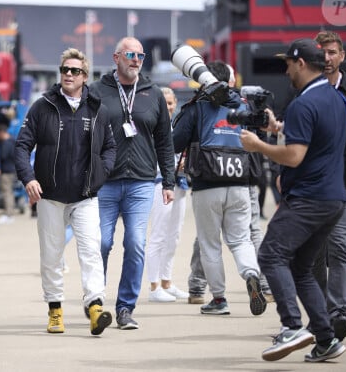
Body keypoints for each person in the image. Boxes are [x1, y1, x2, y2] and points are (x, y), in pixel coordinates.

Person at [240, 38, 346, 362]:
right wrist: (281, 128)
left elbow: (295, 156)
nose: (285, 69)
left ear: (301, 63)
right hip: (332, 198)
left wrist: (258, 145)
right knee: (301, 268)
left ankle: (292, 327)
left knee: (271, 255)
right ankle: (326, 339)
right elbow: (317, 137)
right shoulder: (332, 96)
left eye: (288, 63)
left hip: (308, 198)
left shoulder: (304, 103)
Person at [14, 47, 117, 335]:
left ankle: (95, 307)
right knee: (51, 255)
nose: (68, 75)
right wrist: (29, 178)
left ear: (85, 76)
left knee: (92, 251)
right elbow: (22, 146)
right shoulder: (43, 105)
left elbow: (110, 147)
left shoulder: (98, 109)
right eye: (64, 70)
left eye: (74, 71)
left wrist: (103, 172)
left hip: (86, 196)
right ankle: (55, 310)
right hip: (49, 196)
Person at [90, 37, 175, 329]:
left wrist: (169, 181)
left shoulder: (153, 93)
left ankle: (125, 307)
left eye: (141, 55)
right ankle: (95, 300)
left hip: (141, 182)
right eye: (130, 54)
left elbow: (165, 140)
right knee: (100, 242)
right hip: (105, 183)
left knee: (136, 242)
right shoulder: (97, 91)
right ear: (116, 58)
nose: (136, 59)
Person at [172, 60, 266, 317]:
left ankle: (219, 299)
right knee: (241, 239)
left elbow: (175, 141)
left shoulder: (198, 107)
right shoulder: (245, 104)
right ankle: (250, 274)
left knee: (209, 244)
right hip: (240, 183)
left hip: (207, 184)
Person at [312, 30, 346, 342]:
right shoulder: (307, 91)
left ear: (342, 55)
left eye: (332, 52)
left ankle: (338, 313)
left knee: (341, 246)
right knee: (315, 253)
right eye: (322, 53)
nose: (327, 59)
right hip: (313, 185)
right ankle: (320, 313)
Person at [145, 87, 189, 302]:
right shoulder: (150, 126)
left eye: (171, 103)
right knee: (159, 234)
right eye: (164, 102)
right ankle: (154, 287)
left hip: (180, 183)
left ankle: (166, 281)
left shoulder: (178, 126)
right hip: (159, 183)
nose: (168, 107)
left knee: (174, 235)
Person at [0, 122, 17, 224]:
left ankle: (8, 214)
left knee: (7, 192)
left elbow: (2, 155)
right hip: (11, 170)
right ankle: (10, 212)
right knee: (9, 192)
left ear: (2, 132)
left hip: (6, 171)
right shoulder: (13, 141)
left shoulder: (7, 143)